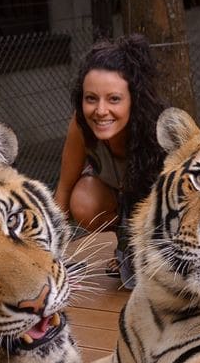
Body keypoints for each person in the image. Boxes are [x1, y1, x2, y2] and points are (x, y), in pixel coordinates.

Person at [53, 34, 166, 289]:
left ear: (133, 99)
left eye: (114, 99)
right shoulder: (81, 125)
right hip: (119, 204)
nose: (100, 110)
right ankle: (122, 245)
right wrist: (47, 253)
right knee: (82, 199)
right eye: (91, 98)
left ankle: (139, 251)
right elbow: (64, 188)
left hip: (160, 215)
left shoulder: (156, 129)